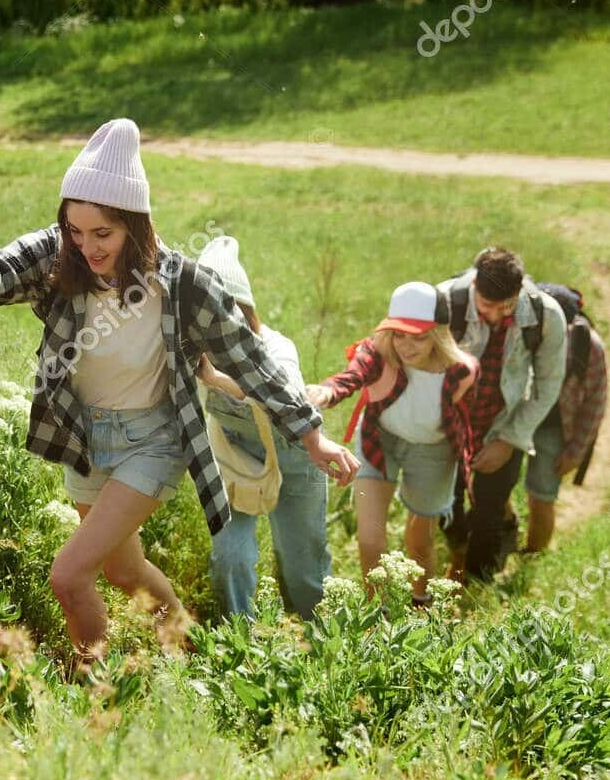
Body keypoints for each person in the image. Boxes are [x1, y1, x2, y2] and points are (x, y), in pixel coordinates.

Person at [0, 119, 358, 663]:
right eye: (75, 232)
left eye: (102, 233)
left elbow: (250, 361)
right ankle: (189, 657)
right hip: (84, 437)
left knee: (69, 574)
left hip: (152, 440)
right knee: (122, 570)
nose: (86, 247)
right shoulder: (59, 258)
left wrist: (313, 438)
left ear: (136, 225)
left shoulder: (185, 285)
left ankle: (96, 692)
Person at [304, 282, 477, 596]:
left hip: (433, 451)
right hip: (379, 441)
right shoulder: (377, 353)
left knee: (419, 541)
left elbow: (473, 419)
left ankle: (420, 606)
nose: (406, 347)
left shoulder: (460, 372)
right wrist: (328, 391)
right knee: (371, 540)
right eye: (399, 335)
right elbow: (352, 375)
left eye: (418, 338)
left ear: (437, 335)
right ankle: (376, 616)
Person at [193, 237, 332, 621]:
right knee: (230, 555)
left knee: (303, 566)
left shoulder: (277, 347)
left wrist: (215, 378)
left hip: (295, 456)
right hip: (237, 455)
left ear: (241, 308)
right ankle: (241, 640)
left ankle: (319, 642)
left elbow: (279, 393)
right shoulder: (193, 343)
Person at [435, 249, 567, 581]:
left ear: (520, 290)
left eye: (505, 306)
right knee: (444, 507)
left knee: (489, 510)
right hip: (447, 427)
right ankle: (457, 558)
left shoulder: (546, 316)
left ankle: (478, 587)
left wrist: (509, 440)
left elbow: (548, 386)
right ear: (475, 283)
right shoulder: (446, 301)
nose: (494, 315)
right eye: (486, 306)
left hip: (504, 426)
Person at [522, 291, 607, 553]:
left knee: (541, 498)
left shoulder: (588, 345)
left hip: (556, 428)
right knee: (495, 490)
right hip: (516, 418)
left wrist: (576, 452)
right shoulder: (520, 331)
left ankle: (534, 555)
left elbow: (595, 402)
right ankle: (505, 532)